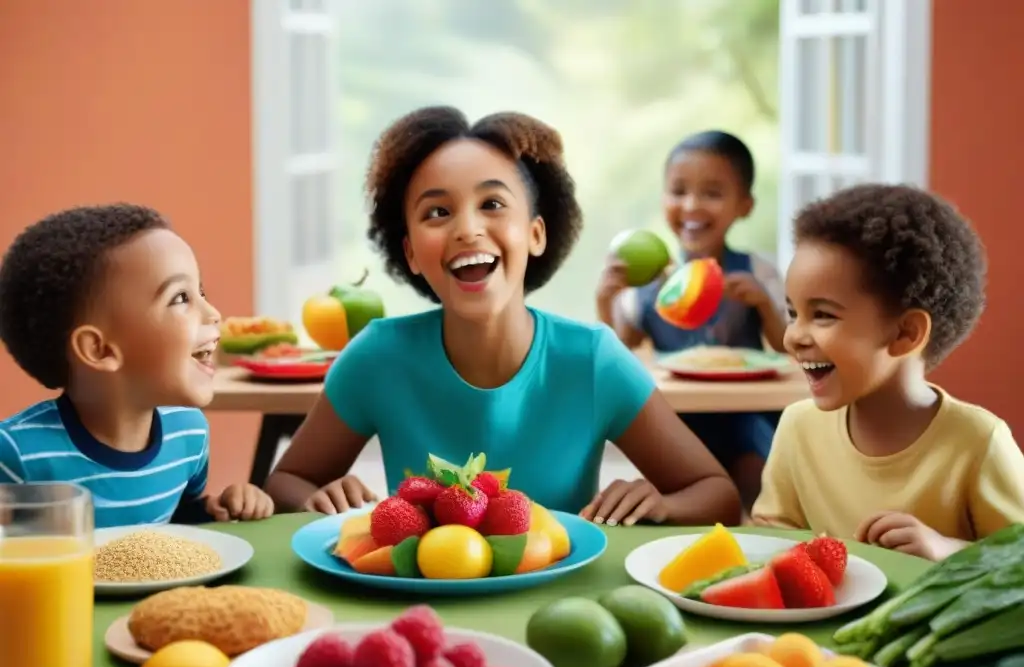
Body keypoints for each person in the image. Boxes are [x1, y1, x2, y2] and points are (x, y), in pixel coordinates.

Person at [265, 106, 741, 526]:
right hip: (421, 606)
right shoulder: (377, 357)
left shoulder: (592, 360)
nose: (467, 228)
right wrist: (317, 497)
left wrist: (662, 504)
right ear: (409, 252)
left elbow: (715, 494)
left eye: (492, 204)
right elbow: (288, 479)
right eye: (437, 212)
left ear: (536, 234)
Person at [751, 183, 1024, 561]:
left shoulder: (979, 443)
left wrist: (948, 551)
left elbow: (1017, 562)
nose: (792, 337)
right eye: (793, 313)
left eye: (823, 315)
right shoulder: (798, 427)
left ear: (905, 333)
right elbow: (770, 538)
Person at [0, 204, 274, 527]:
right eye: (181, 298)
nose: (213, 312)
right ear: (100, 350)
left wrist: (219, 509)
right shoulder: (16, 456)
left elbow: (177, 525)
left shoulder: (188, 433)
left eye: (200, 291)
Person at [597, 130, 787, 507]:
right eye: (678, 191)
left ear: (744, 205)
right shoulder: (649, 280)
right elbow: (622, 349)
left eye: (712, 194)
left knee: (754, 467)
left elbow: (786, 345)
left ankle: (750, 523)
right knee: (672, 477)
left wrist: (764, 304)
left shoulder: (758, 271)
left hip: (744, 413)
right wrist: (607, 300)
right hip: (679, 417)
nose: (691, 206)